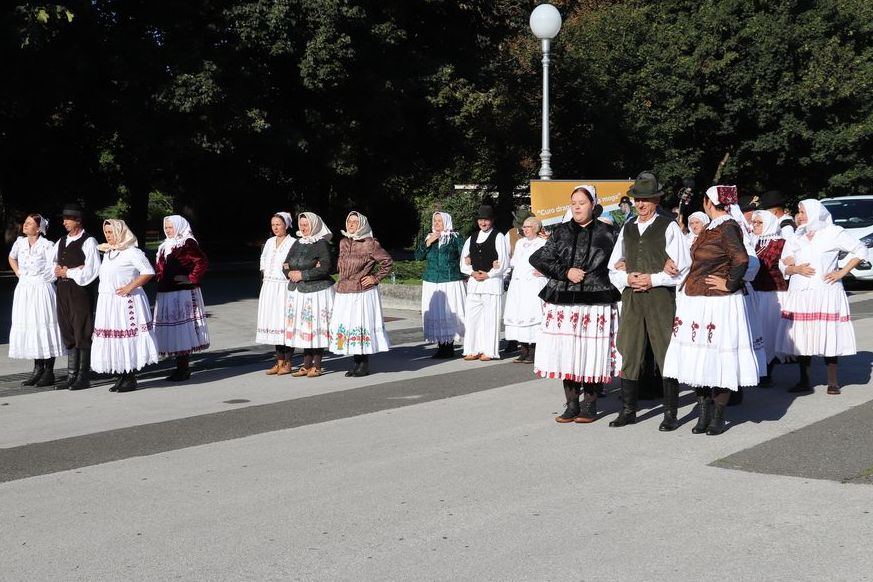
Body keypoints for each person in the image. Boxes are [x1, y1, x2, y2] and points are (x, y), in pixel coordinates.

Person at [662, 186, 760, 435]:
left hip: (718, 302)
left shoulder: (727, 226)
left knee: (719, 358)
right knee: (702, 358)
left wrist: (729, 284)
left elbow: (741, 259)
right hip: (698, 300)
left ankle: (717, 416)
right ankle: (703, 414)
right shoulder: (712, 227)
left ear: (708, 202)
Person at [529, 186, 621, 423]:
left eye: (582, 202)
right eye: (573, 203)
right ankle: (571, 404)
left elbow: (625, 256)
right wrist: (565, 272)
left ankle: (590, 405)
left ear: (593, 204)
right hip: (564, 300)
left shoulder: (608, 233)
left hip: (596, 299)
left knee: (592, 353)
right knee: (567, 352)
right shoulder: (561, 231)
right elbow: (538, 258)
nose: (577, 207)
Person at [608, 171, 691, 431]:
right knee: (629, 349)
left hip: (659, 298)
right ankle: (628, 410)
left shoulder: (669, 227)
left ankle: (670, 414)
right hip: (632, 296)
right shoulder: (628, 227)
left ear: (656, 200)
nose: (640, 204)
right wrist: (626, 278)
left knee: (665, 351)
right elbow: (613, 267)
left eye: (645, 199)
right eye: (637, 200)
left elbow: (683, 267)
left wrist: (653, 280)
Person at [777, 199, 867, 395]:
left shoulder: (833, 232)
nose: (798, 216)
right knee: (802, 336)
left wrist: (842, 272)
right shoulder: (796, 236)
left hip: (825, 291)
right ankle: (804, 379)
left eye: (802, 212)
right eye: (798, 212)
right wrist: (794, 268)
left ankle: (832, 381)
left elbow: (860, 249)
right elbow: (783, 263)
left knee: (829, 334)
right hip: (800, 292)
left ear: (815, 213)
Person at [91, 220, 159, 392]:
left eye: (111, 232)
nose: (108, 235)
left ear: (120, 232)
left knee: (127, 337)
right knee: (113, 338)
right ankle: (120, 375)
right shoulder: (108, 252)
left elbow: (148, 271)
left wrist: (130, 286)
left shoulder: (132, 252)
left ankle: (130, 377)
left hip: (125, 301)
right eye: (106, 232)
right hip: (108, 302)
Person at [328, 211, 393, 376]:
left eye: (355, 222)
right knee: (349, 326)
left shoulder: (370, 243)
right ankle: (356, 362)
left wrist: (374, 278)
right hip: (344, 291)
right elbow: (339, 266)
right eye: (349, 222)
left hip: (361, 292)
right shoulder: (343, 242)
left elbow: (387, 262)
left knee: (360, 325)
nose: (351, 225)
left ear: (362, 224)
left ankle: (363, 364)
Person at [7, 213, 65, 387]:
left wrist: (42, 279)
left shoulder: (47, 245)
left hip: (41, 290)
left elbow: (54, 266)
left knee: (43, 326)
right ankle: (37, 369)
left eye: (29, 223)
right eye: (25, 222)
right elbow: (12, 257)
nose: (25, 225)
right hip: (24, 289)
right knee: (31, 327)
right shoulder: (20, 242)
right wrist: (18, 272)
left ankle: (49, 371)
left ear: (39, 228)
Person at [154, 215, 210, 381]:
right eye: (166, 227)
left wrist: (191, 278)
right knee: (172, 330)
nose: (168, 230)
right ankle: (179, 367)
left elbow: (202, 261)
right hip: (166, 291)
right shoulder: (165, 246)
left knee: (182, 330)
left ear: (178, 227)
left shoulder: (187, 243)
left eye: (171, 227)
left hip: (181, 292)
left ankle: (183, 368)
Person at [52, 203, 101, 390]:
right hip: (63, 290)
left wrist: (70, 272)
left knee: (82, 330)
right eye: (64, 219)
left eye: (68, 219)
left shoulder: (89, 241)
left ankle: (83, 376)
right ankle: (71, 375)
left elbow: (92, 270)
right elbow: (53, 265)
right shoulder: (61, 241)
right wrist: (60, 271)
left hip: (80, 292)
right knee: (68, 330)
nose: (64, 222)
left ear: (78, 220)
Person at [283, 212, 335, 377]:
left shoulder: (321, 244)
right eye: (301, 224)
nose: (303, 228)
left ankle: (317, 366)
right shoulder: (298, 242)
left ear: (314, 225)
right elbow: (285, 264)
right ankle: (305, 365)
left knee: (315, 328)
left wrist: (303, 275)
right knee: (305, 329)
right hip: (298, 292)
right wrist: (290, 273)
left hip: (317, 291)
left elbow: (327, 267)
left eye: (306, 225)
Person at [460, 204, 509, 361]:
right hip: (474, 283)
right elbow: (464, 260)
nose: (483, 223)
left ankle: (489, 350)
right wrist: (472, 272)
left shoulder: (498, 236)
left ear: (491, 221)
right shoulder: (472, 237)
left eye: (486, 220)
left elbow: (504, 261)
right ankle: (472, 349)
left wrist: (489, 274)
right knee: (472, 318)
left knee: (490, 318)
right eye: (481, 220)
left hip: (491, 283)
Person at [416, 211, 466, 358]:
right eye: (435, 221)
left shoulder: (455, 238)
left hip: (450, 281)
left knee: (448, 312)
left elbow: (465, 256)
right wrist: (429, 241)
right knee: (436, 313)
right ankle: (441, 346)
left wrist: (466, 273)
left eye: (440, 221)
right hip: (432, 281)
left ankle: (448, 346)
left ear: (446, 222)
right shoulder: (429, 237)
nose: (437, 224)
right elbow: (418, 256)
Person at [749, 210, 789, 386]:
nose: (754, 226)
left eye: (759, 223)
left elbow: (783, 265)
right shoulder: (754, 242)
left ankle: (768, 371)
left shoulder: (780, 243)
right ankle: (759, 369)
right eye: (754, 222)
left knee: (769, 332)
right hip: (756, 291)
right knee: (756, 330)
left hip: (773, 293)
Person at [503, 216, 547, 364]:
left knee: (532, 314)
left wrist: (545, 272)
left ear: (535, 228)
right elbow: (514, 261)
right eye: (524, 227)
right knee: (518, 313)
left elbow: (551, 261)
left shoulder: (542, 242)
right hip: (518, 284)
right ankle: (523, 350)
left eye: (528, 226)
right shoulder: (520, 243)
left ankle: (534, 352)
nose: (525, 229)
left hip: (533, 283)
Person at [256, 212, 296, 375]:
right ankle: (278, 361)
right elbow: (263, 260)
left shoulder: (293, 242)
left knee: (285, 323)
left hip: (284, 286)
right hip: (270, 286)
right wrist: (265, 275)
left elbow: (294, 263)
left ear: (286, 225)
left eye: (278, 224)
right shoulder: (270, 242)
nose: (275, 228)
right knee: (273, 322)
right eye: (273, 225)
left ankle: (288, 361)